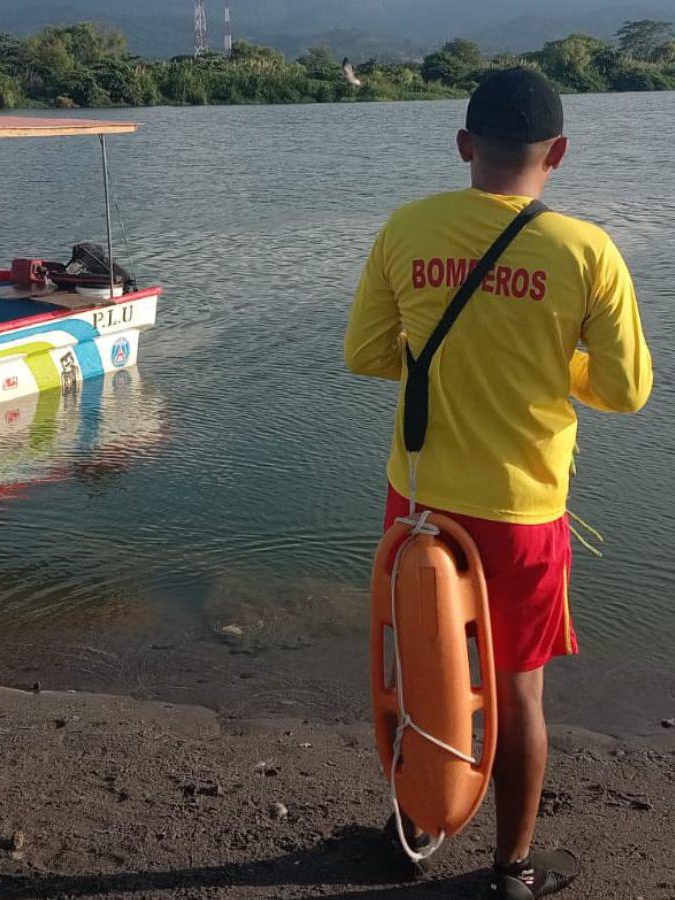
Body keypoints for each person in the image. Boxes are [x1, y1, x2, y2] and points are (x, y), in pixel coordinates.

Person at [344, 68, 652, 899]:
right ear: (557, 152)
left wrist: (445, 356)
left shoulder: (407, 229)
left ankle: (415, 824)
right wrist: (557, 367)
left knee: (422, 667)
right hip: (522, 516)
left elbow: (366, 354)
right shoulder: (585, 250)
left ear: (463, 146)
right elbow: (627, 391)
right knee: (517, 695)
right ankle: (510, 870)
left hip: (417, 505)